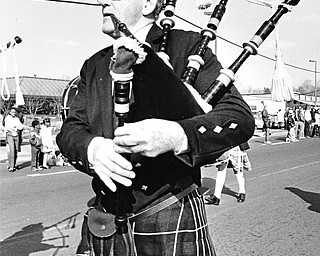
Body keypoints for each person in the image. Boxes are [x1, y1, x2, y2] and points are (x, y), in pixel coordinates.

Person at [56, 0, 255, 255]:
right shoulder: (94, 64)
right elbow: (71, 129)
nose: (103, 1)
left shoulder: (186, 46)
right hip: (105, 218)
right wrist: (92, 148)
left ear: (149, 4)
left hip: (168, 208)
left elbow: (237, 117)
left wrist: (176, 136)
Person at [4, 107, 24, 172]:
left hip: (16, 135)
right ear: (10, 112)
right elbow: (9, 127)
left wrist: (16, 127)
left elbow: (21, 126)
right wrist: (15, 128)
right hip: (10, 134)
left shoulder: (17, 119)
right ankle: (11, 166)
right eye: (12, 112)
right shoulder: (7, 118)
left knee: (16, 150)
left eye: (15, 112)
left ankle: (13, 165)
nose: (13, 113)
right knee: (11, 150)